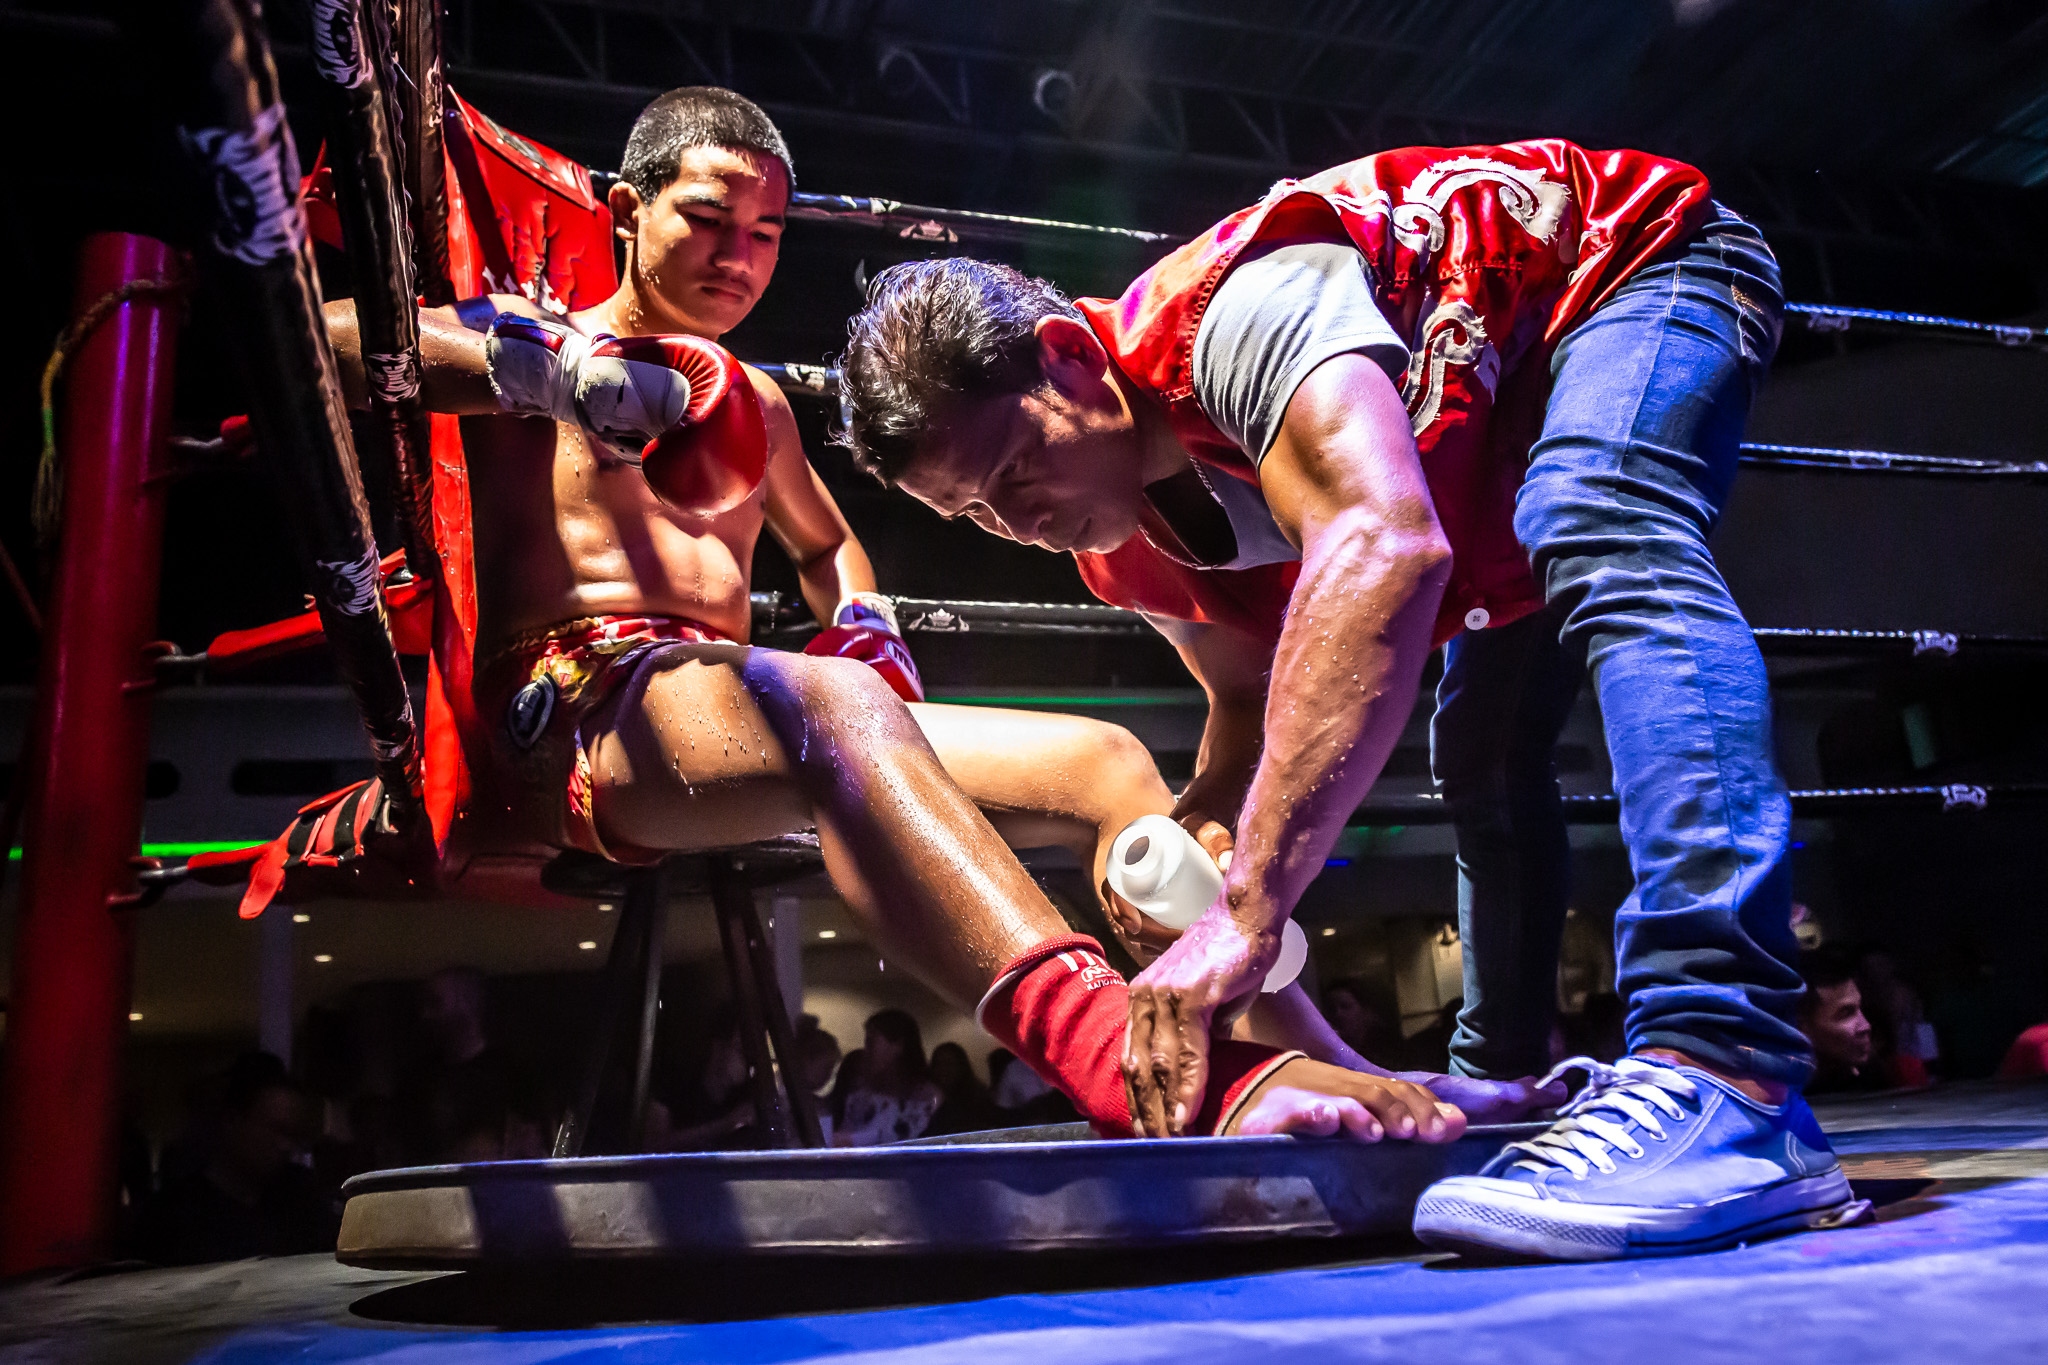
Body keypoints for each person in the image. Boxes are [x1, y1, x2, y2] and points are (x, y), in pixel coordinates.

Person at [322, 86, 1462, 1144]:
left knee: (1104, 762)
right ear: (628, 212)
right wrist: (552, 375)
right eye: (708, 220)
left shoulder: (754, 402)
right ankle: (1115, 1059)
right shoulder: (520, 332)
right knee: (829, 702)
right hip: (570, 706)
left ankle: (1301, 1063)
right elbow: (328, 338)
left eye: (766, 234)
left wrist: (863, 619)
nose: (737, 256)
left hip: (729, 706)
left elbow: (827, 547)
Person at [837, 137, 1853, 1257]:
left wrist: (1246, 914)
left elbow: (1386, 543)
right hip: (1490, 463)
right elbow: (1242, 702)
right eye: (975, 515)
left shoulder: (1234, 315)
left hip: (1630, 269)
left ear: (1072, 358)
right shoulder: (1120, 551)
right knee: (1480, 748)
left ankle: (1730, 1067)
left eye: (1017, 471)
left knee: (1599, 513)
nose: (1019, 524)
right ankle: (1502, 1100)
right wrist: (1208, 830)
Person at [139, 1053, 334, 1265]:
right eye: (275, 1129)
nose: (285, 1145)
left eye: (292, 1134)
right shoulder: (177, 1213)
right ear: (233, 1121)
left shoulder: (301, 1198)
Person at [835, 1010, 944, 1145]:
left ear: (898, 1046)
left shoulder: (928, 1096)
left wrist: (849, 1140)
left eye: (871, 1042)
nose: (866, 1050)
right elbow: (845, 1133)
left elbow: (904, 1137)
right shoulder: (860, 1092)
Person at [1798, 947, 1880, 1094]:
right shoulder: (1775, 1097)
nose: (1866, 1026)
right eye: (1846, 1014)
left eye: (1860, 1009)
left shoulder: (1871, 1079)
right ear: (1802, 1026)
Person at [926, 1040, 1002, 1136]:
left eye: (949, 1063)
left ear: (961, 1066)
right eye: (939, 1064)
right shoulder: (926, 1102)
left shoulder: (978, 1099)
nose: (943, 1069)